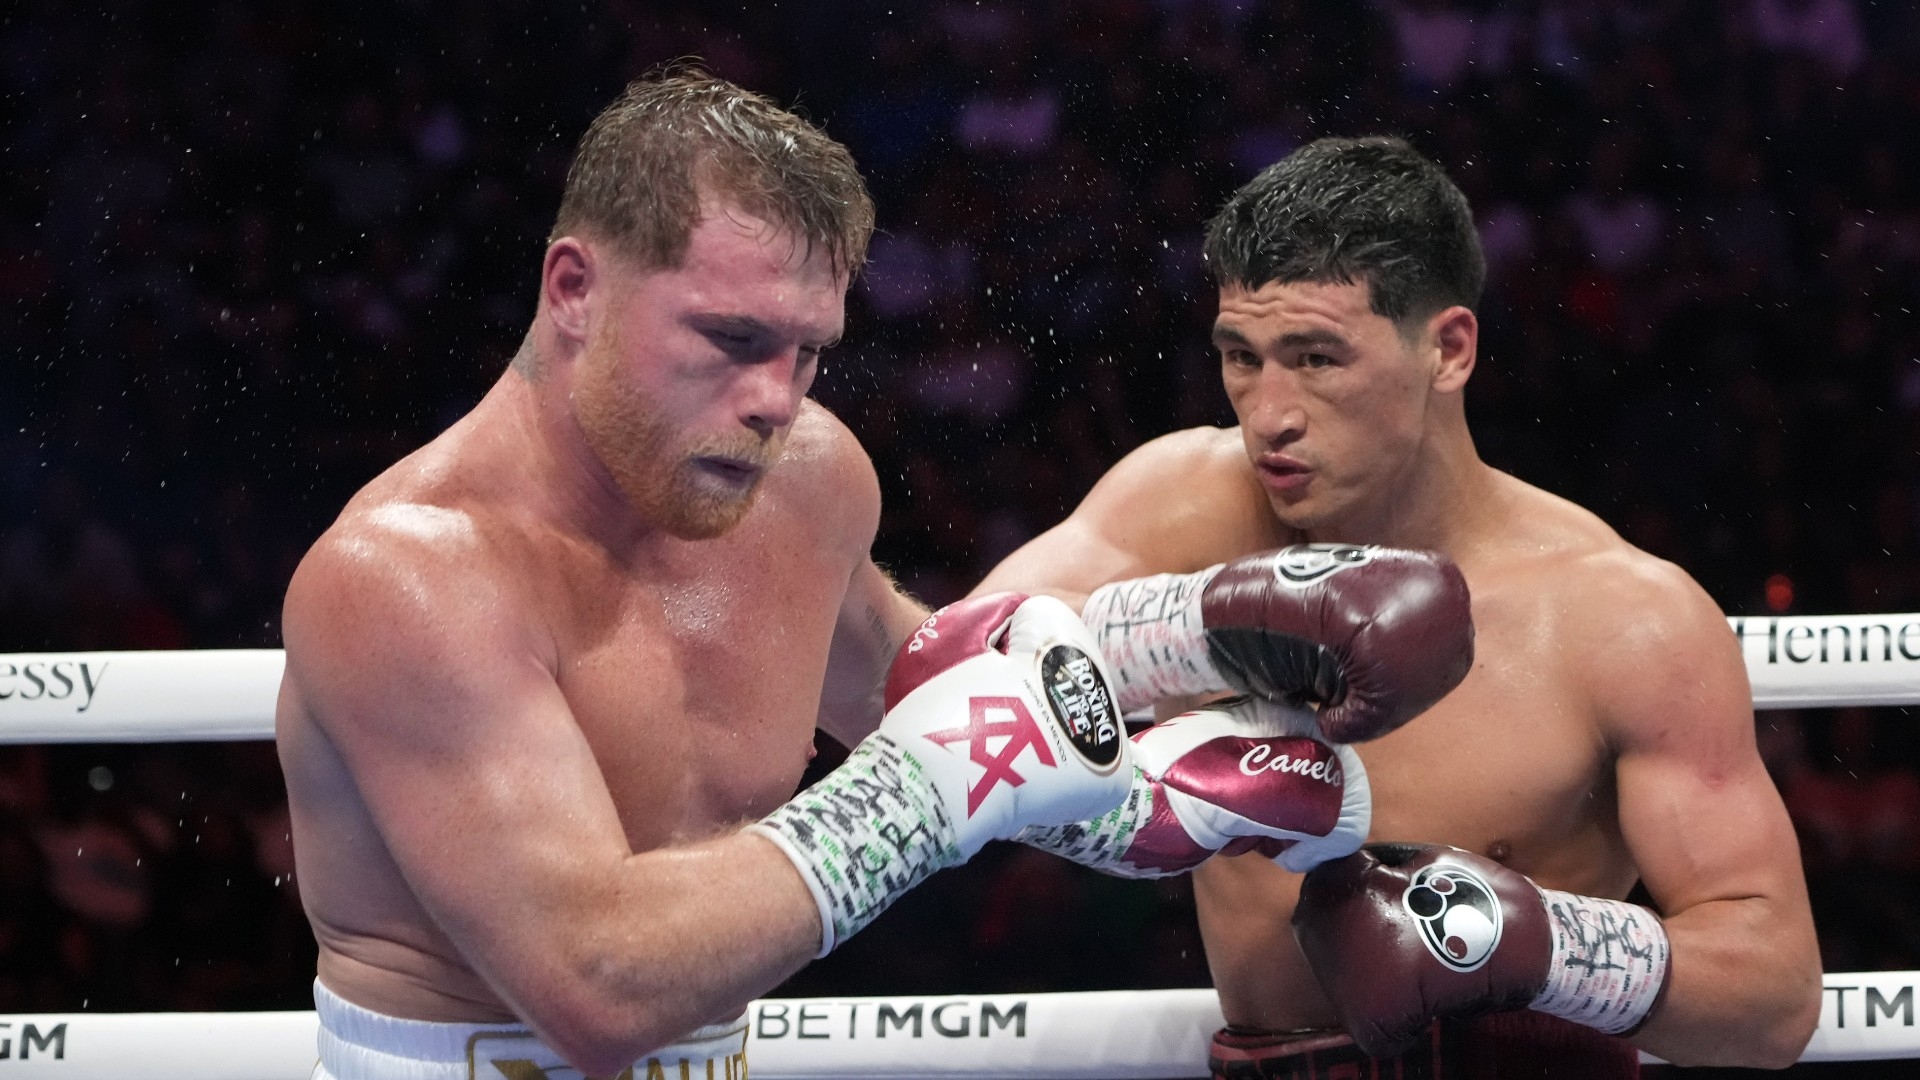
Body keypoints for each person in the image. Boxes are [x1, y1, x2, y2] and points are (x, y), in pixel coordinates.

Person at [275, 74, 1447, 1080]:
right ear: (574, 289)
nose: (777, 399)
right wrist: (928, 788)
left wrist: (1164, 789)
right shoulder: (408, 577)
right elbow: (597, 988)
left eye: (809, 352)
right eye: (733, 341)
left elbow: (934, 691)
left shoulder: (800, 483)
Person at [978, 136, 1822, 1076]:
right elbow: (946, 674)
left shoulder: (1620, 618)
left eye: (1316, 358)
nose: (1269, 413)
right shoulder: (1189, 510)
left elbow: (1775, 998)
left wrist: (1534, 945)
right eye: (1241, 357)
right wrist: (1190, 627)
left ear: (1449, 350)